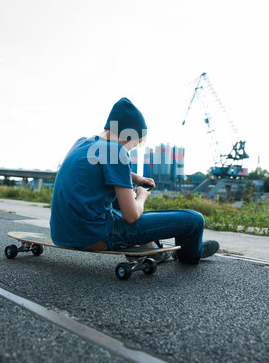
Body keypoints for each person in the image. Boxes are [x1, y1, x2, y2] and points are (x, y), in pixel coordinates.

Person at [50, 97, 219, 264]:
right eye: (134, 145)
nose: (130, 150)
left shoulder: (82, 143)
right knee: (194, 219)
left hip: (62, 234)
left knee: (118, 200)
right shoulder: (116, 151)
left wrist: (136, 178)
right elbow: (131, 216)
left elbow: (98, 170)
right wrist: (141, 196)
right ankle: (189, 253)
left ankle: (151, 248)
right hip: (95, 236)